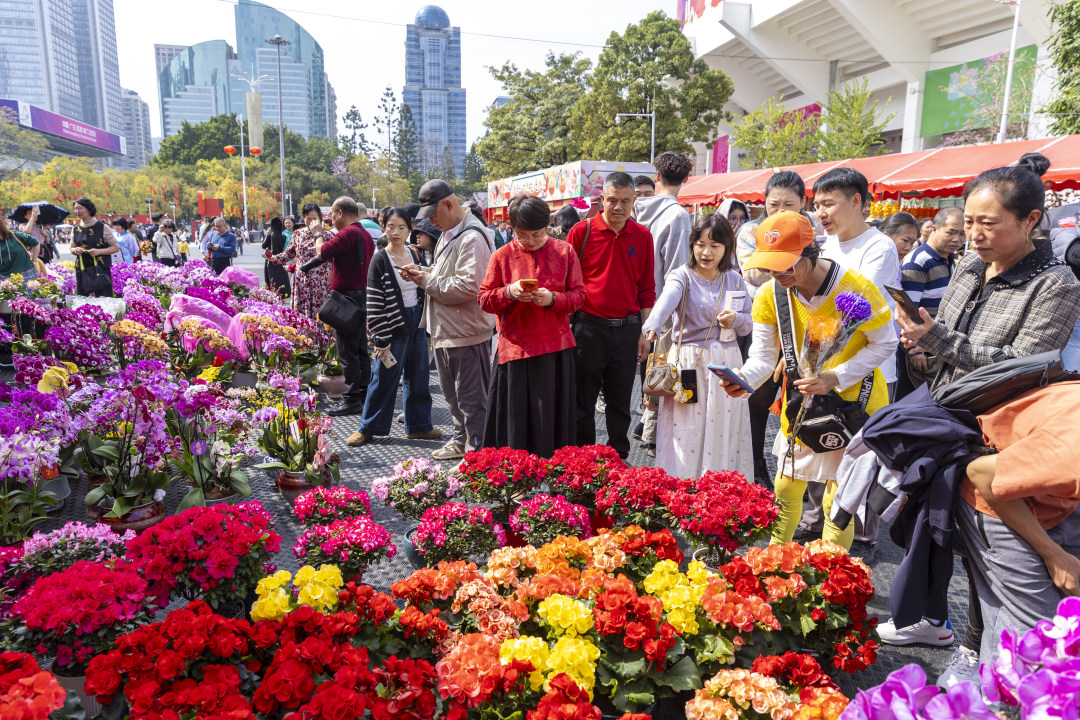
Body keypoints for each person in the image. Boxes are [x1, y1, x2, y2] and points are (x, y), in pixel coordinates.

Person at [887, 152, 1080, 687]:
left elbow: (1025, 366)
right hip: (947, 423)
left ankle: (993, 665)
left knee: (1008, 562)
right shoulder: (971, 266)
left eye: (987, 223)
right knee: (956, 547)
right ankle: (971, 651)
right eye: (968, 221)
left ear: (1030, 221)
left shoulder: (1056, 285)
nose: (972, 235)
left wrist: (942, 340)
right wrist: (920, 347)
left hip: (1003, 435)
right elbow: (946, 341)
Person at [722, 210, 896, 550]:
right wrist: (742, 380)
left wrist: (835, 376)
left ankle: (832, 576)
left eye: (786, 263)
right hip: (802, 403)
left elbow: (886, 342)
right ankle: (774, 564)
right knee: (786, 490)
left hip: (852, 405)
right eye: (770, 265)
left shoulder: (855, 287)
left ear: (810, 251)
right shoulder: (769, 294)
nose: (777, 273)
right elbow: (761, 356)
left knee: (836, 501)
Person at [958, 383, 1080, 674]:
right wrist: (1053, 555)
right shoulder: (1071, 456)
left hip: (1050, 491)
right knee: (1034, 637)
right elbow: (980, 475)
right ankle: (999, 701)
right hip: (994, 495)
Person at [815, 168, 902, 557]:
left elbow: (856, 310)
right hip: (828, 366)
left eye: (829, 203)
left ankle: (860, 543)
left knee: (862, 456)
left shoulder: (878, 248)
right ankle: (827, 528)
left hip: (869, 371)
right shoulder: (826, 245)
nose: (821, 213)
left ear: (856, 202)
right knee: (828, 447)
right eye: (816, 205)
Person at [642, 212, 752, 478]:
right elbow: (665, 302)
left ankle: (719, 488)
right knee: (685, 428)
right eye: (700, 244)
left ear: (727, 248)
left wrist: (736, 318)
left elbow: (748, 325)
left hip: (727, 363)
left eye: (715, 246)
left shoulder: (735, 279)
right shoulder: (682, 276)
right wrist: (652, 327)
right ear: (692, 245)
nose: (706, 252)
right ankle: (683, 489)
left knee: (725, 426)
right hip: (689, 364)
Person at [478, 196, 586, 457]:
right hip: (515, 350)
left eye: (537, 234)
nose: (530, 240)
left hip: (555, 348)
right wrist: (508, 292)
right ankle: (517, 480)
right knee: (515, 420)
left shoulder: (564, 251)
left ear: (548, 224)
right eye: (521, 234)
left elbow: (579, 297)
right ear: (511, 228)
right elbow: (484, 300)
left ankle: (553, 477)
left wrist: (552, 299)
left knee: (552, 418)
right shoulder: (502, 256)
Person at [399, 180, 495, 460]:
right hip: (447, 330)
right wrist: (423, 272)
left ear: (449, 204)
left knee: (471, 400)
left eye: (433, 215)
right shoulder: (452, 232)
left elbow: (467, 287)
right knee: (453, 397)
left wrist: (425, 278)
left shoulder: (472, 237)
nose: (431, 222)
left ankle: (478, 454)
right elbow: (446, 275)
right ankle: (461, 441)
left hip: (466, 333)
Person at [568, 171, 656, 459]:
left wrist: (645, 332)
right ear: (602, 199)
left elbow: (647, 288)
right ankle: (582, 462)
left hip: (628, 330)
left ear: (634, 202)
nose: (618, 207)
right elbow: (568, 283)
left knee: (620, 403)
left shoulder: (642, 236)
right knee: (582, 402)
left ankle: (619, 459)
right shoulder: (581, 232)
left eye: (626, 201)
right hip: (588, 328)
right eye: (612, 200)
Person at [735, 171, 807, 487]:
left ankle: (797, 474)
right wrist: (795, 269)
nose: (779, 211)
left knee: (800, 405)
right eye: (773, 203)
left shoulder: (813, 232)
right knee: (757, 403)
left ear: (803, 203)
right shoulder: (752, 231)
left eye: (788, 204)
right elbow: (754, 274)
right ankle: (754, 465)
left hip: (806, 331)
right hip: (764, 325)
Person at [349, 207, 439, 446]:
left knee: (419, 375)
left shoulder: (415, 255)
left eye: (401, 227)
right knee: (384, 376)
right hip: (392, 324)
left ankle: (419, 426)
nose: (396, 232)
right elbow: (374, 300)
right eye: (391, 227)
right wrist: (380, 337)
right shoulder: (380, 259)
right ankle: (368, 427)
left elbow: (425, 286)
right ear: (383, 228)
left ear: (410, 229)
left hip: (417, 321)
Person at [634, 151, 694, 456]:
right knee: (664, 368)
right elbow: (677, 270)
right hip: (662, 305)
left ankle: (644, 424)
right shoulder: (678, 216)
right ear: (686, 179)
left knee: (648, 369)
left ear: (657, 177)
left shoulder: (636, 210)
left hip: (635, 302)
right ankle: (653, 432)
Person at [308, 197, 376, 417]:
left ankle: (351, 398)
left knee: (347, 351)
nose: (331, 221)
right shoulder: (364, 234)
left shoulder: (347, 233)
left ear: (339, 212)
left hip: (347, 298)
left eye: (332, 216)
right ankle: (364, 393)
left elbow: (322, 253)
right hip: (360, 296)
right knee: (359, 349)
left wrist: (318, 233)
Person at [896, 207, 965, 395]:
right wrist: (916, 350)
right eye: (951, 232)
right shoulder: (918, 261)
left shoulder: (950, 259)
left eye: (962, 234)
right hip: (922, 351)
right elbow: (907, 311)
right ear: (934, 229)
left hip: (939, 346)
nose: (957, 239)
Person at [269, 203, 334, 320]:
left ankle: (321, 337)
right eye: (308, 219)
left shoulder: (328, 235)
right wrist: (273, 258)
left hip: (319, 281)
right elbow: (288, 254)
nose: (311, 222)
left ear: (320, 219)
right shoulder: (298, 234)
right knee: (301, 316)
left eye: (314, 219)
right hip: (301, 281)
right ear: (303, 219)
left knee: (319, 315)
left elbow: (333, 257)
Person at [70, 197, 119, 296]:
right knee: (82, 301)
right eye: (75, 209)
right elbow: (71, 248)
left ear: (89, 209)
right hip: (82, 269)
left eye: (79, 208)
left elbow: (115, 247)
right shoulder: (75, 229)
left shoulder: (102, 227)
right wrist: (75, 250)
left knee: (104, 300)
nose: (77, 211)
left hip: (100, 269)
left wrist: (99, 251)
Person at [0, 214, 39, 281]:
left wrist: (34, 260)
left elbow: (36, 243)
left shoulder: (15, 235)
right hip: (3, 279)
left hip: (25, 276)